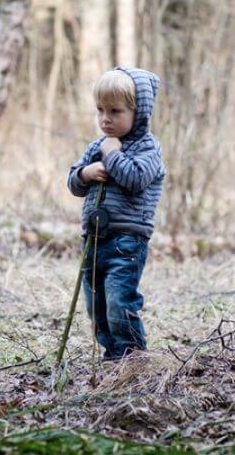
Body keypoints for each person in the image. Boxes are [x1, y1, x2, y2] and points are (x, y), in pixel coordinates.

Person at [67, 67, 165, 360]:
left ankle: (133, 357)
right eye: (100, 110)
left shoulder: (148, 148)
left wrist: (112, 154)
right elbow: (74, 184)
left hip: (127, 241)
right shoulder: (96, 147)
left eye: (115, 111)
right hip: (94, 240)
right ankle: (112, 358)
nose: (105, 119)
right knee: (95, 304)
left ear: (139, 112)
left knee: (119, 302)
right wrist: (85, 173)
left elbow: (135, 179)